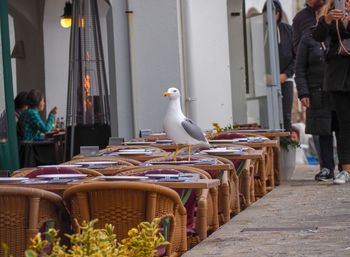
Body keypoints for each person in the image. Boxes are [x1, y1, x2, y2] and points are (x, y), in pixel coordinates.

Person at [295, 26, 340, 181]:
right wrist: (303, 93)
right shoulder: (308, 37)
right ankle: (326, 168)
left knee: (343, 130)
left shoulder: (342, 32)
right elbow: (300, 68)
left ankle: (345, 168)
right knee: (323, 132)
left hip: (340, 89)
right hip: (317, 92)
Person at [313, 0, 350, 184]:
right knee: (345, 124)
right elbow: (317, 36)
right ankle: (346, 169)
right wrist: (328, 20)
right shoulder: (328, 17)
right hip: (338, 78)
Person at [264, 0, 295, 132]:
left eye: (274, 13)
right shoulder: (260, 31)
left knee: (286, 116)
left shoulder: (288, 30)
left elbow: (296, 57)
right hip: (266, 82)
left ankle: (286, 146)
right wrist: (264, 75)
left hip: (285, 80)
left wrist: (286, 74)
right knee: (267, 117)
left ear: (278, 13)